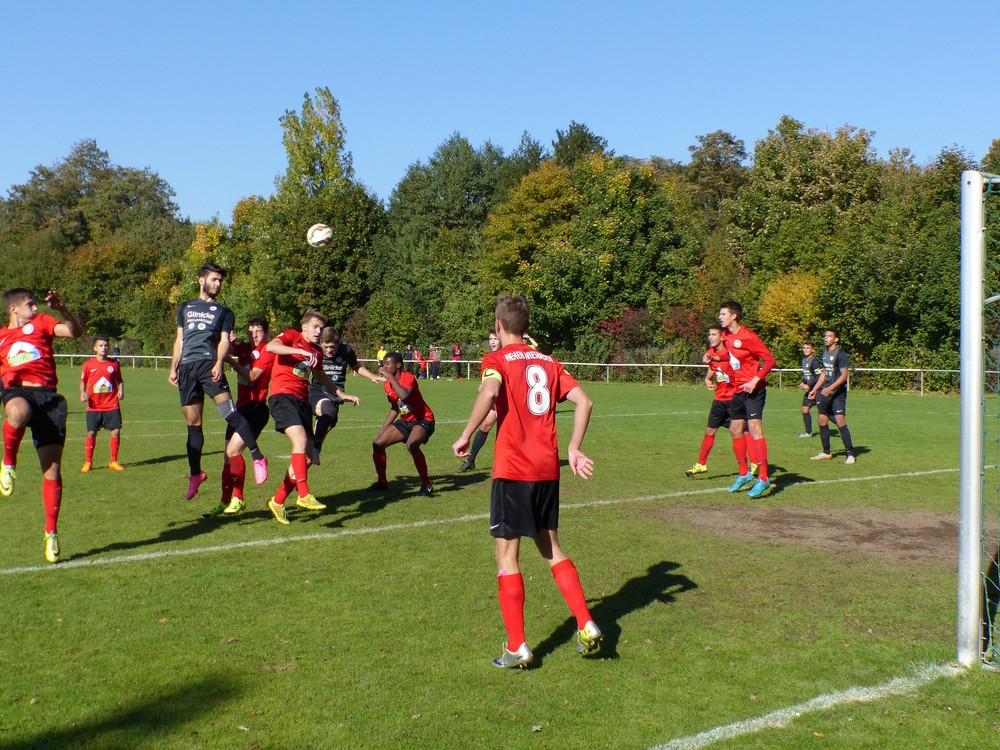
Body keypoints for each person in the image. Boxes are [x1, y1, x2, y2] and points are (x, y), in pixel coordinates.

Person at [453, 294, 602, 669]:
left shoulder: (497, 360)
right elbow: (584, 402)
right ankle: (586, 623)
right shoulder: (550, 361)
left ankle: (517, 646)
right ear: (526, 327)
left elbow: (489, 392)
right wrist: (574, 447)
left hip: (513, 469)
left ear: (499, 326)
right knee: (551, 548)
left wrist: (467, 433)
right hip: (548, 469)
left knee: (507, 556)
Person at [168, 263, 268, 500]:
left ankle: (257, 455)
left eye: (220, 280)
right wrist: (173, 367)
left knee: (230, 414)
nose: (218, 284)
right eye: (214, 279)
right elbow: (180, 340)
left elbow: (224, 341)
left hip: (208, 365)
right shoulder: (184, 307)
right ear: (201, 280)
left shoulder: (224, 312)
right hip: (187, 369)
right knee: (193, 423)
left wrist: (219, 362)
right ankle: (195, 474)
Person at [0, 288, 84, 563]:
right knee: (18, 412)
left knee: (52, 470)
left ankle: (51, 532)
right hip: (19, 392)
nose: (35, 308)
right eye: (30, 304)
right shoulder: (1, 337)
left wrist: (62, 309)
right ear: (13, 309)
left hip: (50, 398)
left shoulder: (43, 322)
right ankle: (8, 463)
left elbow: (74, 332)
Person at [265, 310, 360, 524]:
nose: (319, 331)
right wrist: (301, 352)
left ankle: (278, 501)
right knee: (299, 440)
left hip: (302, 401)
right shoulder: (292, 336)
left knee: (307, 457)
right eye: (315, 327)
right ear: (305, 327)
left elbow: (320, 377)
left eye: (321, 328)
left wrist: (341, 394)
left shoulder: (316, 350)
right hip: (282, 396)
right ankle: (304, 494)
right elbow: (271, 347)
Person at [204, 316, 275, 517]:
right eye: (250, 331)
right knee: (227, 456)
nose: (254, 335)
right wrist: (225, 340)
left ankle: (239, 498)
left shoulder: (267, 351)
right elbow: (223, 348)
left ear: (266, 333)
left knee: (233, 450)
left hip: (256, 409)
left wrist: (228, 360)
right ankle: (224, 501)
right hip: (240, 409)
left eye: (258, 331)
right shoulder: (243, 347)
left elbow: (251, 376)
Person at [718, 301, 776, 499]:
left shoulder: (749, 336)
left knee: (755, 429)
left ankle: (764, 478)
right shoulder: (727, 336)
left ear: (734, 316)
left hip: (754, 391)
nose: (720, 317)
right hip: (738, 390)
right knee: (735, 430)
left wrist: (755, 379)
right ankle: (743, 473)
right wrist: (715, 359)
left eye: (723, 314)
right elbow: (731, 355)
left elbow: (770, 360)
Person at [686, 325, 756, 478]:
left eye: (713, 334)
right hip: (718, 400)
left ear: (722, 337)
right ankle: (701, 464)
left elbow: (738, 369)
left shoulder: (730, 353)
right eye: (709, 334)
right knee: (710, 431)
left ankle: (754, 464)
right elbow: (715, 367)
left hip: (733, 400)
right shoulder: (711, 353)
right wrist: (707, 378)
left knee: (742, 432)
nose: (710, 337)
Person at [309, 326, 383, 465]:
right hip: (317, 391)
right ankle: (315, 449)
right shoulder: (315, 350)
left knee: (326, 427)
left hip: (336, 395)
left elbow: (356, 366)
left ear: (338, 343)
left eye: (332, 346)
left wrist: (371, 376)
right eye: (326, 347)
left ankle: (297, 474)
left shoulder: (346, 351)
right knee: (328, 411)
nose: (329, 350)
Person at [367, 351, 435, 495]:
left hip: (423, 419)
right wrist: (382, 429)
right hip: (405, 421)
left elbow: (404, 394)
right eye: (383, 363)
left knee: (412, 445)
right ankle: (382, 482)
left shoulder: (408, 377)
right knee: (378, 443)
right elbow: (395, 407)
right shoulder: (387, 385)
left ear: (398, 365)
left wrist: (389, 376)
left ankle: (426, 484)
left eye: (388, 363)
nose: (384, 366)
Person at [808, 328, 856, 464]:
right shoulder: (823, 352)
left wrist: (830, 387)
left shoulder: (841, 354)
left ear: (836, 339)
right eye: (825, 335)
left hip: (837, 393)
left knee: (840, 421)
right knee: (822, 421)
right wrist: (815, 389)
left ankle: (850, 454)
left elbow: (844, 375)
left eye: (829, 336)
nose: (826, 338)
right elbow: (824, 374)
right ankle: (826, 452)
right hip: (825, 391)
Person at [457, 329, 501, 473]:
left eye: (495, 338)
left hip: (510, 402)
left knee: (506, 432)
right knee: (485, 425)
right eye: (491, 339)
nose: (493, 342)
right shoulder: (489, 358)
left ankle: (502, 462)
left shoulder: (507, 356)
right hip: (496, 401)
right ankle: (471, 460)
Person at [79, 333, 125, 472]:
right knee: (92, 432)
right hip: (94, 405)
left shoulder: (114, 364)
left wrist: (121, 390)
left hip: (111, 404)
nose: (104, 348)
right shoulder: (88, 365)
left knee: (115, 431)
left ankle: (113, 461)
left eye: (106, 345)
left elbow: (119, 380)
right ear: (95, 348)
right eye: (101, 345)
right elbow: (83, 381)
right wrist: (82, 392)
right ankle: (88, 462)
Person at [798, 341, 822, 438]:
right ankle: (808, 432)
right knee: (804, 409)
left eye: (808, 348)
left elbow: (818, 376)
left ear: (813, 350)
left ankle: (842, 428)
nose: (805, 350)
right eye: (804, 348)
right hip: (811, 390)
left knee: (825, 414)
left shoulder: (814, 362)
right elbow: (809, 375)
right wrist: (804, 382)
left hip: (818, 390)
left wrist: (808, 385)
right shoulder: (804, 361)